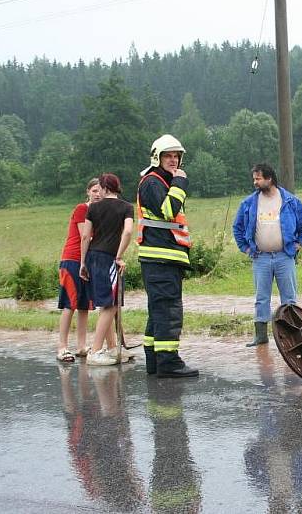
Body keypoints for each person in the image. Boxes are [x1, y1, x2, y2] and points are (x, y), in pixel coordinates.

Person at [137, 134, 198, 377]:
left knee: (158, 311)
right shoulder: (153, 182)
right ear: (157, 158)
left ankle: (154, 361)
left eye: (176, 156)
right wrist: (180, 184)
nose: (173, 161)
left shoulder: (161, 181)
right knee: (168, 311)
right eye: (168, 156)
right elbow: (168, 211)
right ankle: (169, 362)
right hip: (160, 259)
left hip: (164, 259)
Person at [233, 163, 302, 347]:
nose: (255, 182)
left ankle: (292, 334)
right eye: (254, 178)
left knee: (289, 297)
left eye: (258, 178)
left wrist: (298, 244)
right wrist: (246, 248)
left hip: (285, 256)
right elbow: (238, 227)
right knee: (261, 297)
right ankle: (261, 336)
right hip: (261, 257)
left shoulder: (290, 201)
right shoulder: (249, 203)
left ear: (269, 179)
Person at [80, 173, 134, 367]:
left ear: (104, 188)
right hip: (109, 258)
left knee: (106, 304)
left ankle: (112, 347)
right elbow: (127, 231)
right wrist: (119, 255)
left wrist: (82, 262)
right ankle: (94, 352)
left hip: (93, 256)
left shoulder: (93, 208)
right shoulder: (127, 207)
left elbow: (86, 236)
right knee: (110, 305)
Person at [56, 178, 101, 362]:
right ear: (88, 192)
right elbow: (86, 236)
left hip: (88, 261)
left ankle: (81, 346)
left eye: (101, 191)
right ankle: (62, 347)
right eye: (95, 190)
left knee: (84, 305)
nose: (98, 194)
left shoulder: (99, 213)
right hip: (72, 260)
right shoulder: (82, 209)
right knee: (70, 304)